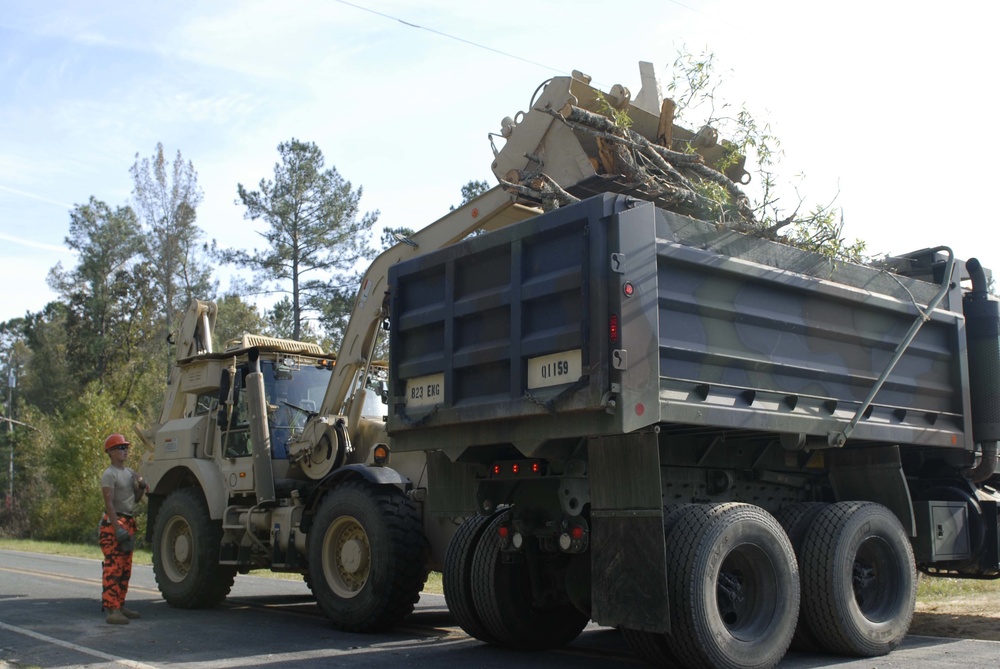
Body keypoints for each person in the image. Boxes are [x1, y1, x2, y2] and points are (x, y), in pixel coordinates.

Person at [99, 433, 148, 625]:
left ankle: (120, 604)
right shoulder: (109, 474)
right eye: (121, 447)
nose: (125, 450)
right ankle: (112, 610)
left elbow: (135, 499)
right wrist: (116, 527)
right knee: (113, 567)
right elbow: (109, 503)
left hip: (128, 520)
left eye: (126, 447)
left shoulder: (129, 473)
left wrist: (142, 486)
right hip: (114, 521)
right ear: (110, 452)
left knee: (125, 568)